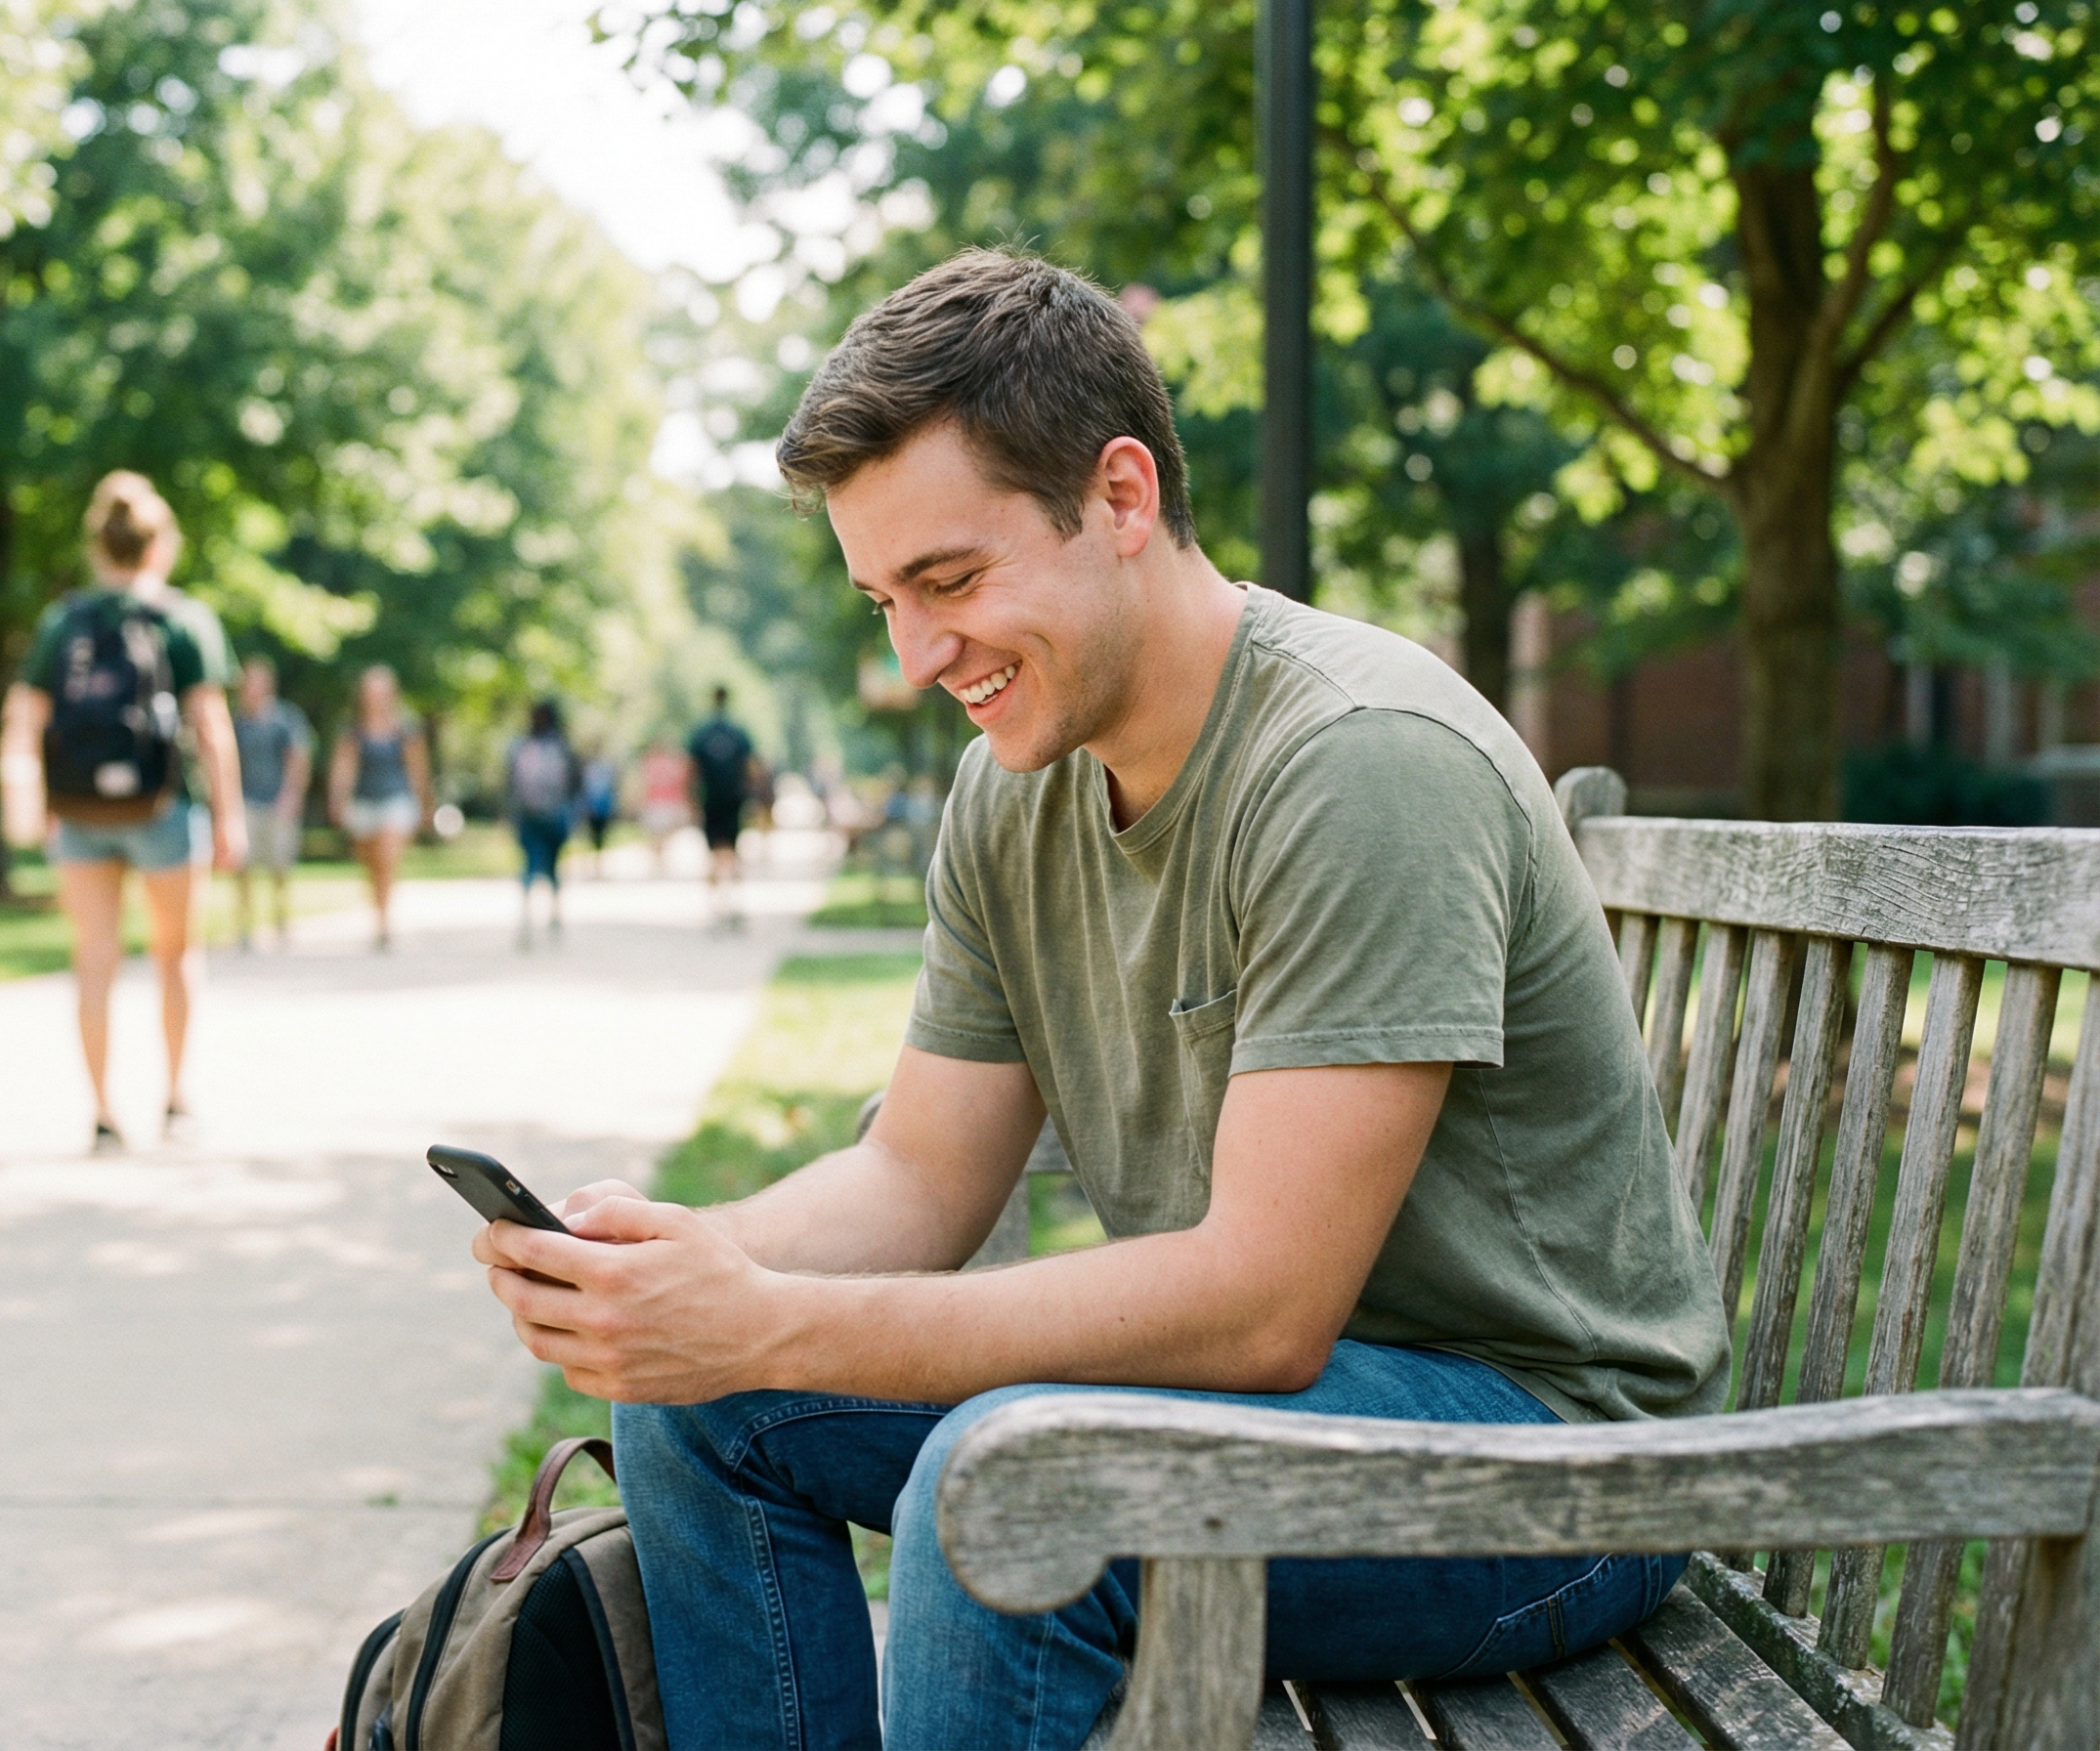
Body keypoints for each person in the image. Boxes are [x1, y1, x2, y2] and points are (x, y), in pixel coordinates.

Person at [468, 251, 1731, 1750]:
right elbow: (918, 1176)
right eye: (884, 600)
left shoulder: (1360, 761)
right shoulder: (1018, 786)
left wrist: (776, 1318)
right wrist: (682, 1271)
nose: (919, 655)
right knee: (700, 1398)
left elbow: (1262, 1308)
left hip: (1551, 1469)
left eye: (950, 582)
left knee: (1013, 1477)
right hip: (1284, 1427)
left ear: (1122, 497)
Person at [9, 471, 243, 1153]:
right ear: (160, 543)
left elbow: (27, 717)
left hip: (81, 812)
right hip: (164, 810)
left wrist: (31, 798)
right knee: (176, 956)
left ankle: (104, 1114)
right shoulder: (183, 618)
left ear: (97, 545)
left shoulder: (65, 621)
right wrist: (228, 819)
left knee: (95, 961)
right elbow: (211, 725)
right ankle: (174, 1101)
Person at [325, 665, 429, 951]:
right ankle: (379, 913)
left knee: (387, 856)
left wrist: (424, 804)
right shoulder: (352, 729)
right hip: (363, 802)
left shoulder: (405, 727)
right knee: (372, 865)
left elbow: (417, 769)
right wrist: (337, 799)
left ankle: (385, 924)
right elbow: (343, 768)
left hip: (396, 799)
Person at [229, 656, 313, 950]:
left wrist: (291, 796)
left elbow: (298, 759)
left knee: (280, 866)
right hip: (245, 802)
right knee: (243, 866)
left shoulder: (285, 718)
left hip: (278, 801)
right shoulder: (236, 721)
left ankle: (282, 922)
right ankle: (244, 928)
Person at [504, 699, 578, 947]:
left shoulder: (521, 746)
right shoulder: (562, 747)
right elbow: (574, 784)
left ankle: (528, 914)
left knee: (530, 864)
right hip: (554, 814)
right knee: (552, 866)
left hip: (528, 814)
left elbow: (510, 782)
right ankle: (553, 913)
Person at [685, 686, 754, 927]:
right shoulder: (738, 732)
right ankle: (731, 903)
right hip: (732, 800)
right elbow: (750, 768)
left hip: (711, 800)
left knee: (713, 853)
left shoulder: (701, 733)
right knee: (733, 852)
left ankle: (715, 906)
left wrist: (692, 801)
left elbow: (691, 771)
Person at [636, 737, 688, 874]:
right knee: (659, 834)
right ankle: (658, 860)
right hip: (660, 802)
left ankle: (658, 859)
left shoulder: (653, 762)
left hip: (661, 802)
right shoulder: (665, 763)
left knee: (658, 834)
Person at [578, 745, 616, 870]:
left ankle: (597, 862)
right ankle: (591, 862)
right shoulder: (588, 768)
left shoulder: (604, 768)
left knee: (600, 836)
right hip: (591, 806)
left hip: (602, 807)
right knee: (590, 836)